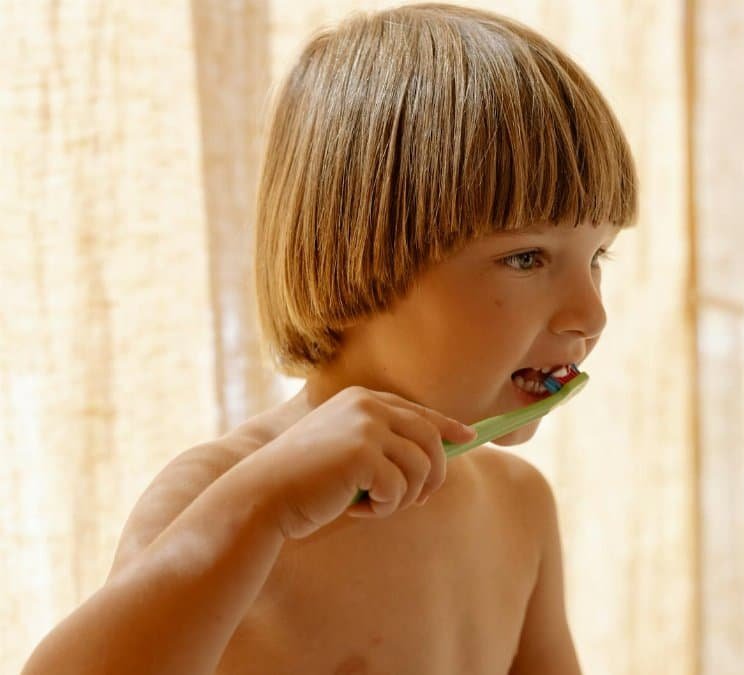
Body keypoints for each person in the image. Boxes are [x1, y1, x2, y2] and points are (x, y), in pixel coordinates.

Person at [21, 3, 637, 673]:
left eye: (597, 256)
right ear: (358, 254)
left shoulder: (519, 508)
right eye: (527, 258)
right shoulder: (224, 494)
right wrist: (262, 510)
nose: (590, 313)